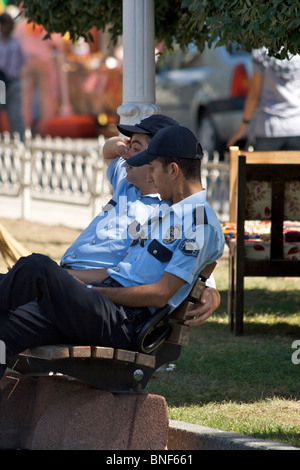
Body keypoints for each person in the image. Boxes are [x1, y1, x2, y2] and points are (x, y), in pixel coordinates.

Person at [0, 125, 224, 381]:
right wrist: (79, 285)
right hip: (103, 308)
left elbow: (162, 294)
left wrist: (95, 292)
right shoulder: (166, 209)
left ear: (172, 170)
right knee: (6, 329)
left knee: (37, 267)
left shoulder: (199, 224)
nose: (150, 177)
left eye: (152, 169)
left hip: (124, 322)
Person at [61, 114, 221, 323]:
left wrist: (210, 291)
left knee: (34, 271)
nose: (127, 157)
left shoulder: (171, 212)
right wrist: (125, 149)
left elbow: (194, 260)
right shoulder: (128, 182)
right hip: (86, 286)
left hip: (106, 300)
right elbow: (108, 150)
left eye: (138, 151)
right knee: (28, 277)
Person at [227, 47, 300, 150]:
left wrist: (243, 126)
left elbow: (254, 95)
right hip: (297, 125)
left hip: (268, 127)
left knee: (264, 166)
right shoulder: (296, 46)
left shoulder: (262, 50)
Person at [0, 12, 25, 138]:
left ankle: (20, 141)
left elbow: (22, 62)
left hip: (13, 82)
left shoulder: (16, 42)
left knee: (16, 115)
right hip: (0, 83)